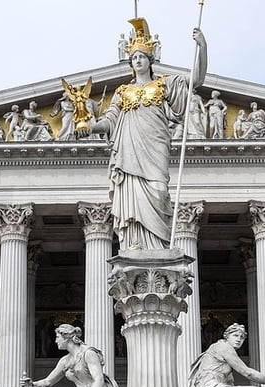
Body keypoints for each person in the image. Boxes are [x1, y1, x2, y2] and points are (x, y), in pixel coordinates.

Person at [79, 18, 207, 250]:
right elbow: (111, 120)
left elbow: (196, 79)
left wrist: (202, 47)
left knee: (159, 191)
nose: (138, 60)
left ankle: (158, 247)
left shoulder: (163, 85)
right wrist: (92, 126)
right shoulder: (123, 92)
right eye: (134, 58)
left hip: (154, 148)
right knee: (132, 196)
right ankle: (134, 243)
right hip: (129, 153)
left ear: (150, 60)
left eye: (142, 57)